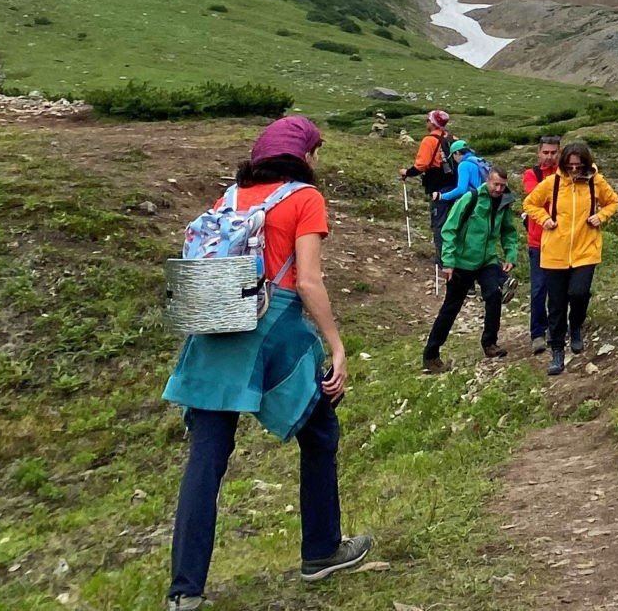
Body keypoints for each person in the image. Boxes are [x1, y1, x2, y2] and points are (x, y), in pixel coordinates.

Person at [163, 115, 370, 611]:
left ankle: (185, 592)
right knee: (319, 432)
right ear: (303, 156)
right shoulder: (305, 199)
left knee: (207, 455)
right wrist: (336, 345)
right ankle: (321, 551)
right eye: (315, 152)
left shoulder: (228, 198)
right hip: (272, 326)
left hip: (215, 329)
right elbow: (307, 281)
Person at [519, 140, 618, 376]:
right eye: (570, 166)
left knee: (579, 293)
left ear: (585, 163)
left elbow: (613, 201)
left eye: (578, 166)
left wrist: (601, 216)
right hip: (554, 252)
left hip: (586, 249)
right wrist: (545, 220)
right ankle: (557, 351)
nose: (574, 170)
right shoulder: (553, 183)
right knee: (556, 303)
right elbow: (530, 203)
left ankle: (575, 326)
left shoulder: (596, 181)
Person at [423, 162, 516, 372]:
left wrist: (510, 254)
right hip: (462, 262)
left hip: (487, 260)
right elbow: (449, 229)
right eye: (495, 184)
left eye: (502, 185)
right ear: (487, 181)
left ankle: (490, 343)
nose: (498, 189)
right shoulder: (470, 199)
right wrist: (448, 261)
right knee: (451, 308)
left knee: (494, 296)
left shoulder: (504, 203)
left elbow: (508, 231)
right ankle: (431, 354)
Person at [521, 137, 561, 349]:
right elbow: (534, 197)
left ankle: (557, 329)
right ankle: (537, 333)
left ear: (559, 152)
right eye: (546, 152)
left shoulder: (565, 173)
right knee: (538, 289)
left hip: (562, 240)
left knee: (560, 288)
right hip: (538, 240)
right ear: (539, 153)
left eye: (553, 152)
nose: (549, 156)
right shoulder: (531, 174)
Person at [403, 109, 457, 202]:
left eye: (428, 120)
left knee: (439, 212)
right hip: (454, 181)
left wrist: (407, 172)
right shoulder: (451, 138)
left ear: (433, 123)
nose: (426, 122)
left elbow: (421, 165)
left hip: (436, 182)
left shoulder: (429, 140)